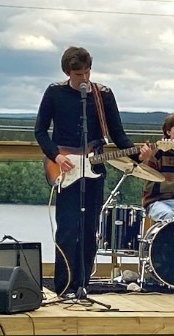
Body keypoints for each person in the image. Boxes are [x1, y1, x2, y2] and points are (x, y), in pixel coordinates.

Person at [34, 46, 151, 298]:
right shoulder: (55, 92)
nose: (84, 78)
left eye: (87, 72)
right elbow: (40, 131)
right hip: (65, 167)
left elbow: (118, 135)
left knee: (89, 230)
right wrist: (56, 155)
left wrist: (137, 154)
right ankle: (64, 286)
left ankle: (83, 285)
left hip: (94, 168)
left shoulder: (103, 95)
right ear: (68, 72)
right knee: (67, 229)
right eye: (79, 74)